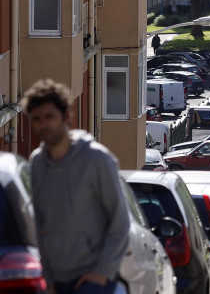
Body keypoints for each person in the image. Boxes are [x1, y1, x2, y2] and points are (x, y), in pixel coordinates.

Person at [23, 79, 130, 294]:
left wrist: (101, 273)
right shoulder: (37, 163)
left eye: (49, 116)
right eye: (37, 119)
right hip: (56, 283)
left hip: (92, 281)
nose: (43, 124)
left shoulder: (97, 159)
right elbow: (41, 224)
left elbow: (120, 221)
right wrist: (48, 279)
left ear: (67, 115)